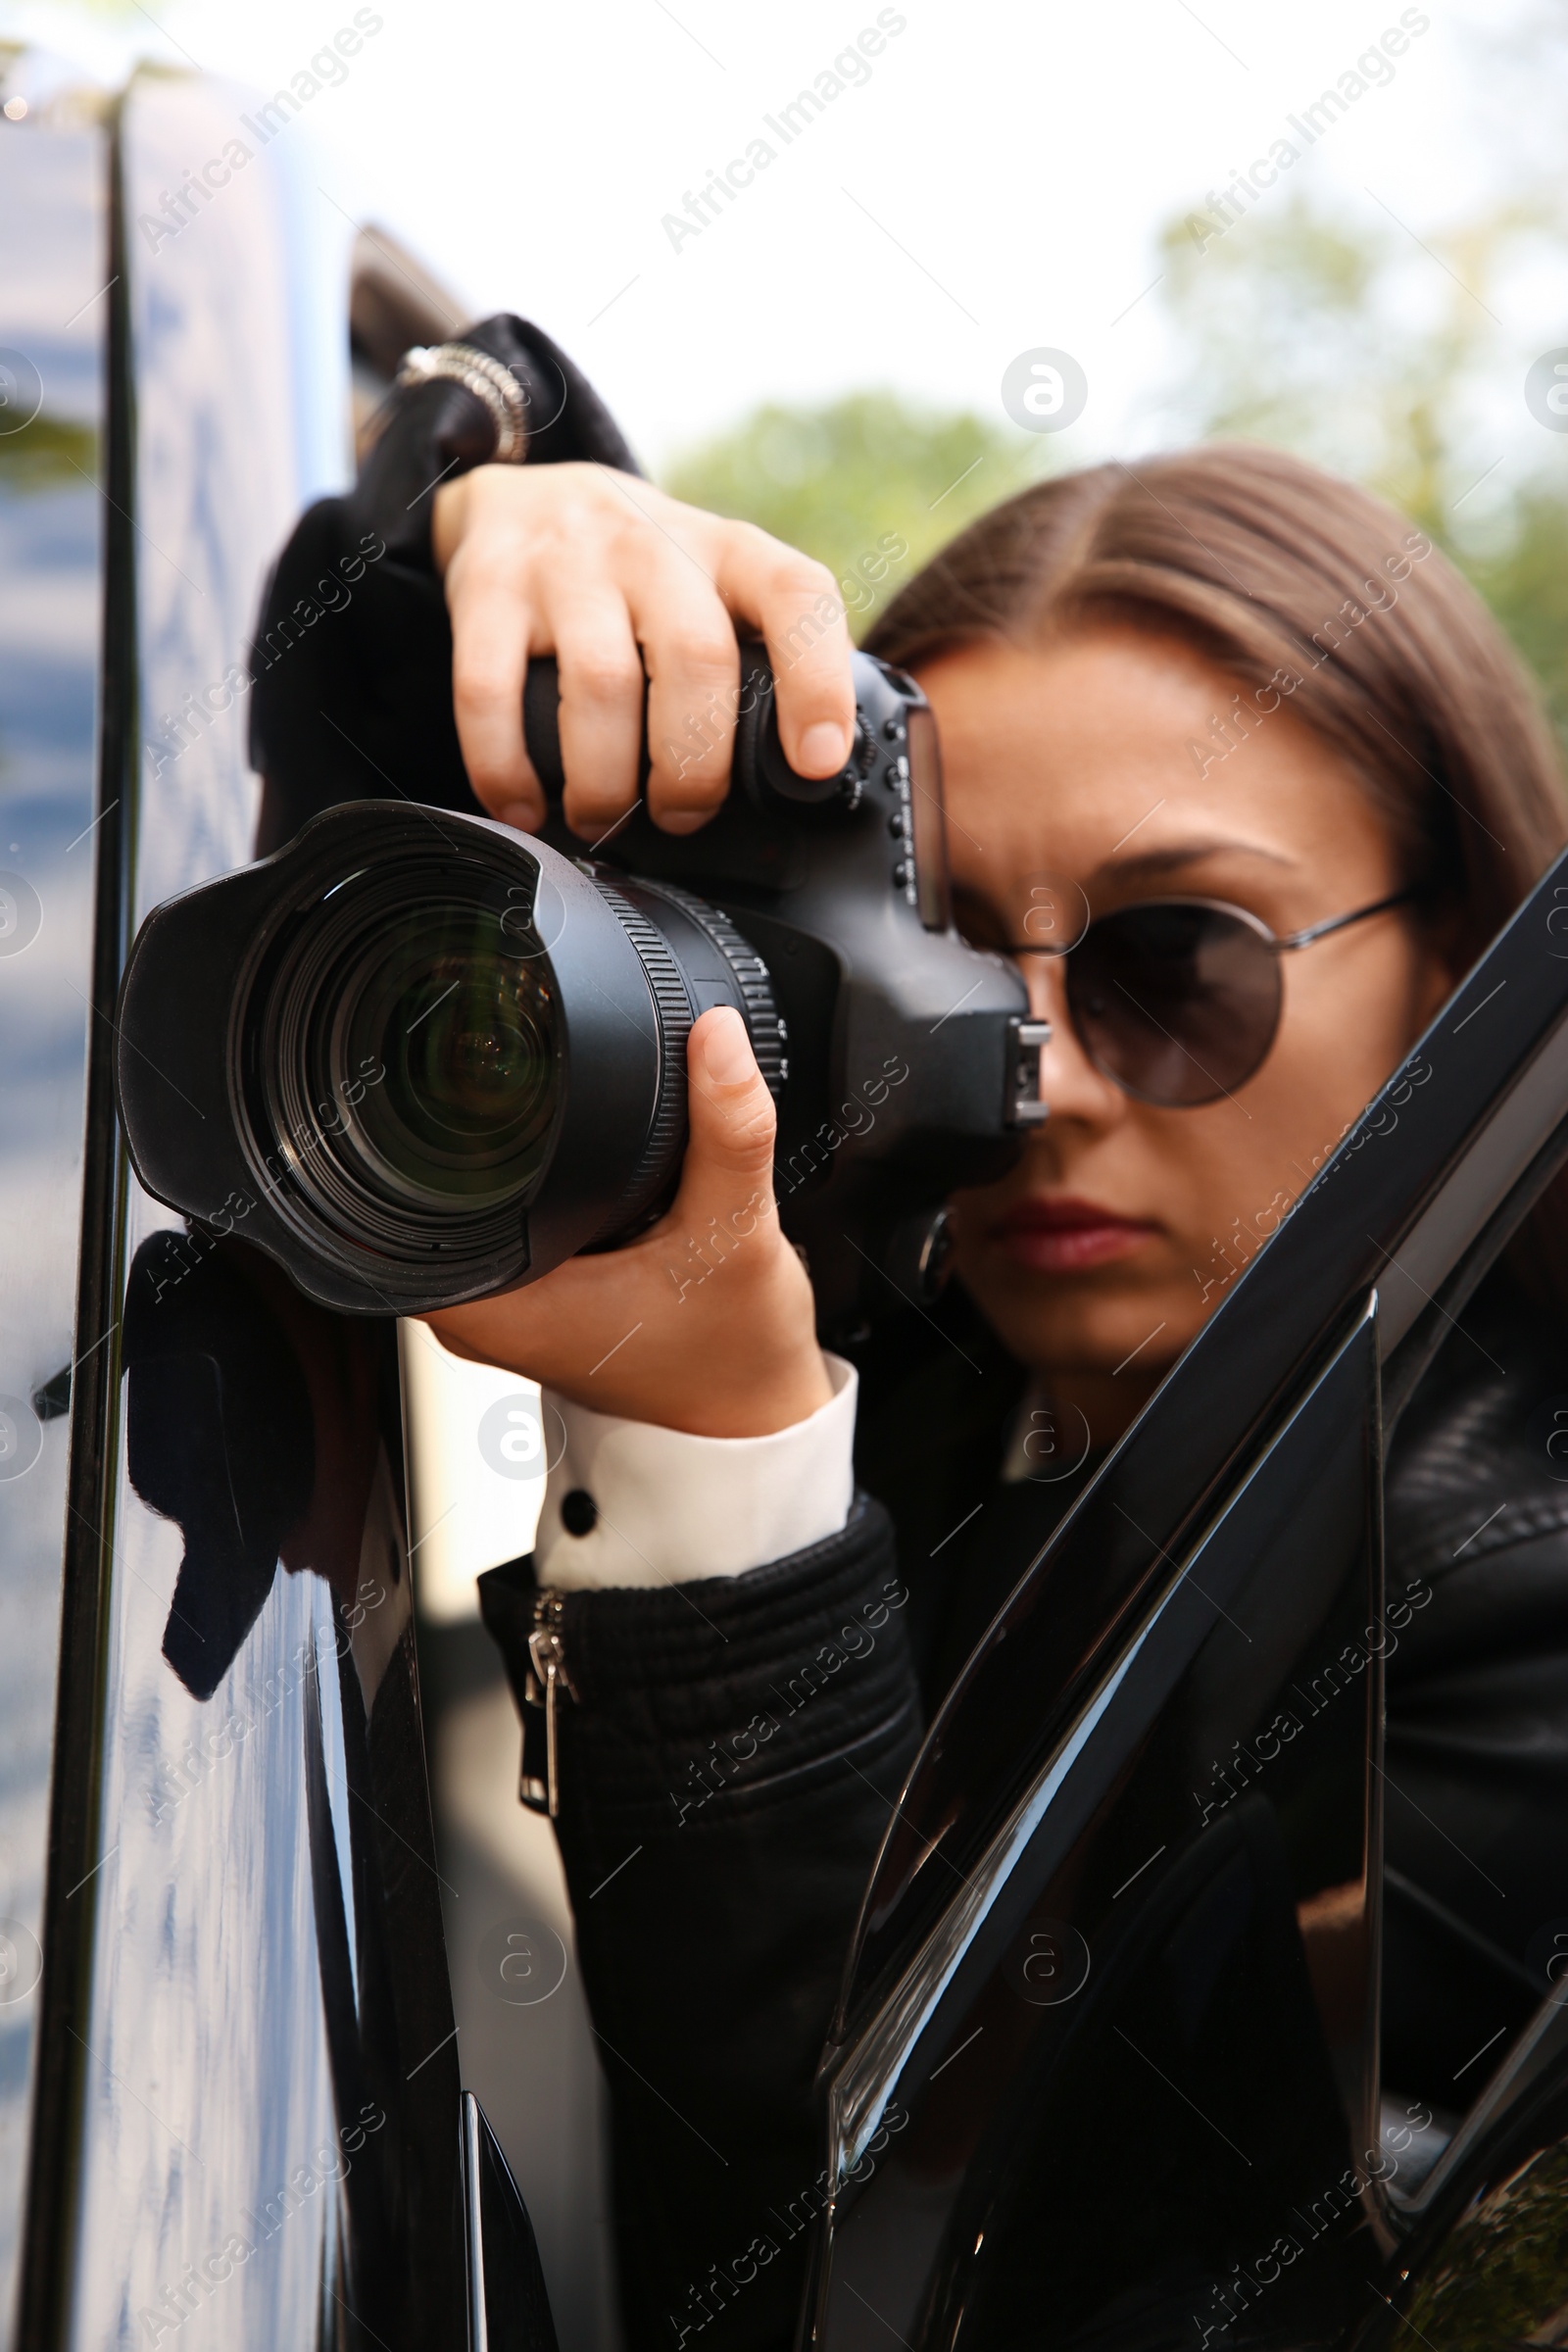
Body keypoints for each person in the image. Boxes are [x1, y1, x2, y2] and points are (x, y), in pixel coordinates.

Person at [249, 317, 1568, 2351]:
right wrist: (525, 504)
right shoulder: (955, 1393)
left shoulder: (1509, 1617)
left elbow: (897, 2272)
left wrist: (711, 1472)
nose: (1030, 1068)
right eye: (935, 951)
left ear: (1458, 980)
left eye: (1169, 963)